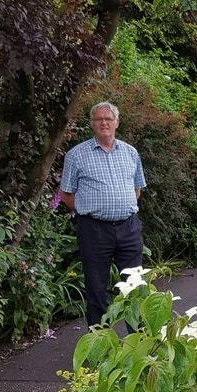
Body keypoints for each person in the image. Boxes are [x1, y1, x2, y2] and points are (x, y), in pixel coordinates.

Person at [60, 102, 146, 327]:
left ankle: (140, 344)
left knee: (134, 286)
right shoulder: (76, 155)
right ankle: (101, 348)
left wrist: (118, 207)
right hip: (94, 230)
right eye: (99, 119)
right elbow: (66, 194)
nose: (104, 123)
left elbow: (136, 190)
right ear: (92, 124)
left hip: (128, 228)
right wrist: (89, 213)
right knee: (96, 288)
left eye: (108, 118)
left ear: (117, 122)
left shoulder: (130, 153)